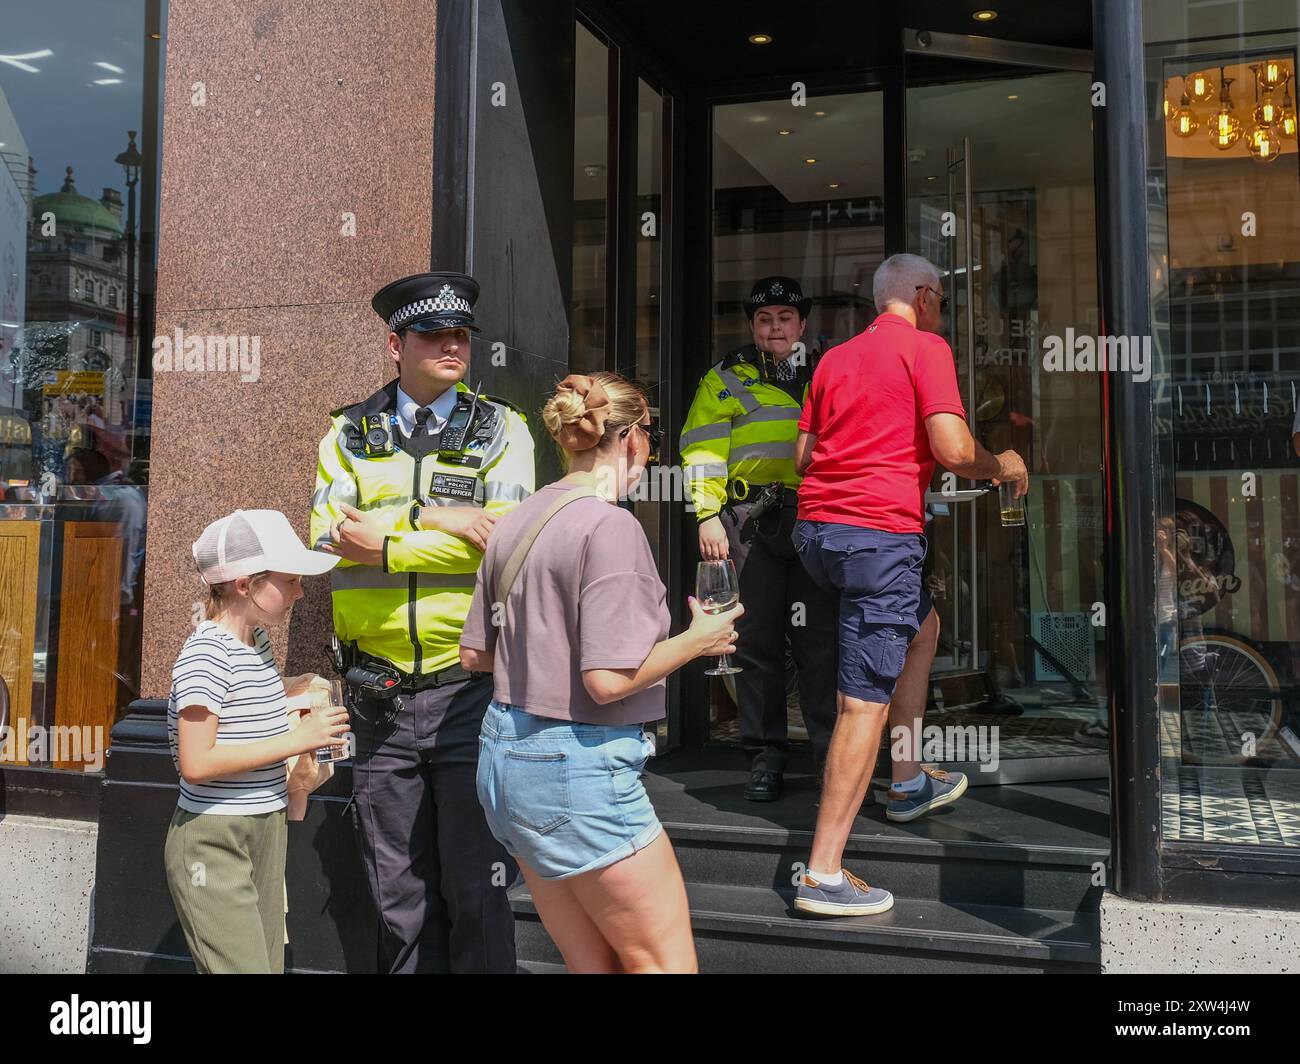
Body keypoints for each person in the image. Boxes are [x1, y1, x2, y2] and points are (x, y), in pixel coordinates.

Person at [462, 372, 741, 973]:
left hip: (504, 761)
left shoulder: (513, 521)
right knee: (663, 966)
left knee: (596, 967)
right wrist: (700, 639)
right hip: (578, 769)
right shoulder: (612, 527)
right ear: (634, 440)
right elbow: (608, 681)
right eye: (651, 442)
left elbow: (475, 657)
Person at [309, 271, 535, 973]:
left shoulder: (502, 428)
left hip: (469, 686)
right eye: (433, 334)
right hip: (376, 695)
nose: (451, 344)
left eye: (460, 334)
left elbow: (504, 540)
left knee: (477, 884)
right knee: (396, 891)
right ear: (394, 344)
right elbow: (323, 535)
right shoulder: (348, 431)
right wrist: (437, 521)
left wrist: (387, 537)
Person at [790, 253, 1028, 916]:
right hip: (877, 540)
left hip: (817, 536)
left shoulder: (834, 359)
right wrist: (1001, 462)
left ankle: (907, 778)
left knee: (923, 629)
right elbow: (953, 449)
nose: (942, 311)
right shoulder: (926, 347)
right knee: (860, 704)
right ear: (924, 296)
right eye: (943, 300)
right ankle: (822, 872)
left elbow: (804, 457)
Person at [165, 509, 350, 973]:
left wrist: (296, 702)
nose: (300, 591)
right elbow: (196, 762)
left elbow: (240, 714)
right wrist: (298, 739)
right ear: (246, 584)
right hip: (214, 838)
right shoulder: (206, 653)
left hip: (263, 826)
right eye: (290, 580)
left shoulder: (257, 644)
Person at [678, 276, 838, 802]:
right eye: (765, 319)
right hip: (749, 522)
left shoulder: (829, 371)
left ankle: (830, 763)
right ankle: (765, 759)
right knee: (757, 645)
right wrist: (706, 515)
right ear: (753, 325)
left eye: (785, 319)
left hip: (817, 518)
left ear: (802, 325)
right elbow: (703, 449)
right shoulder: (725, 377)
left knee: (820, 647)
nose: (775, 327)